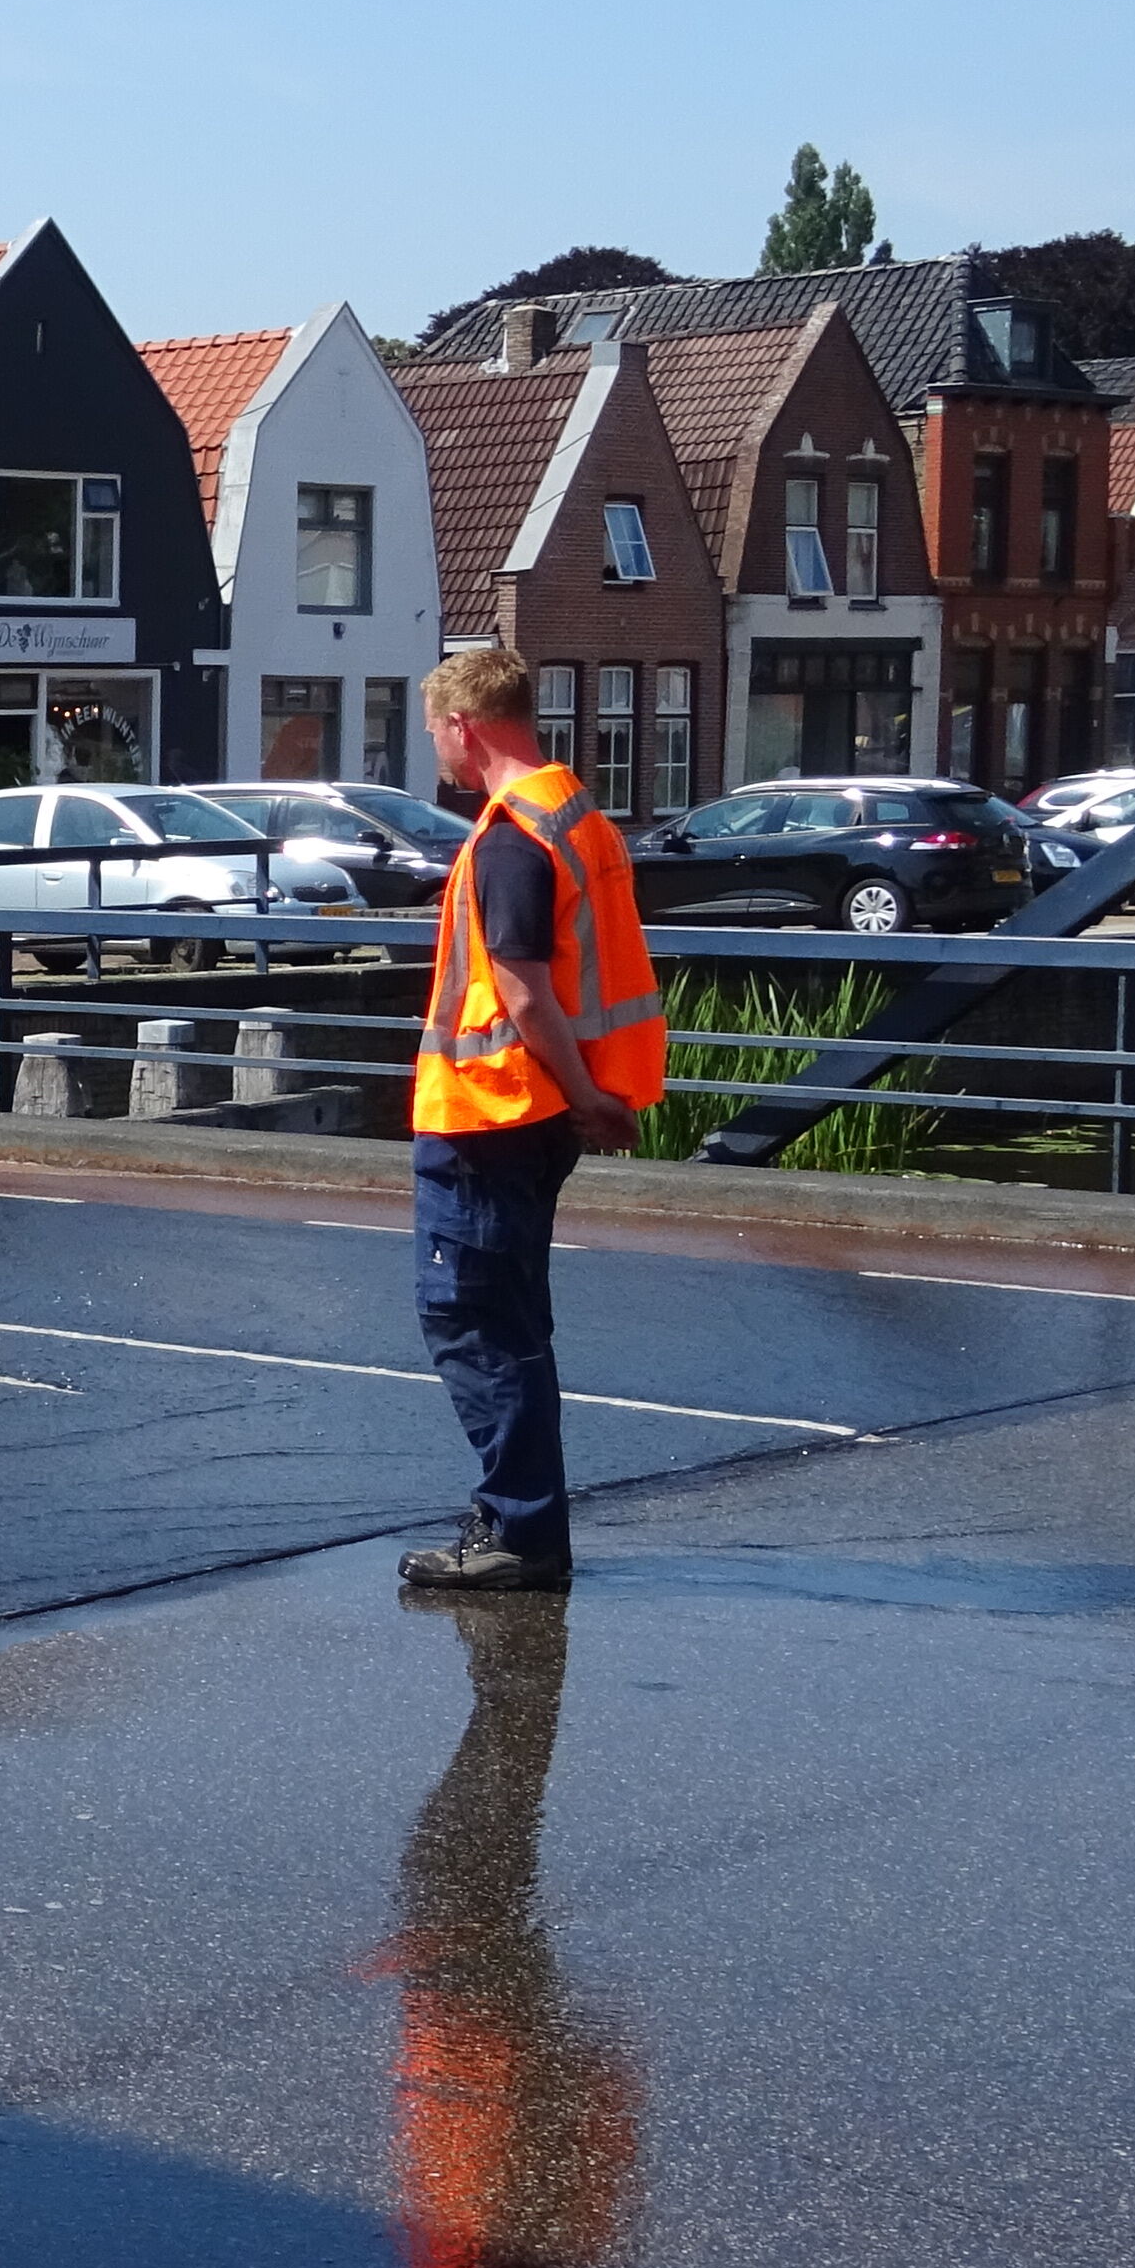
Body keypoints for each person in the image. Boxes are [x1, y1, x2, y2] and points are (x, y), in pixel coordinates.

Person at [398, 648, 662, 1592]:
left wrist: (583, 1095)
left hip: (493, 1113)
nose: (433, 744)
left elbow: (520, 988)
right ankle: (520, 1517)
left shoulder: (511, 835)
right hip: (542, 1113)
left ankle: (519, 1529)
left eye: (434, 728)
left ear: (464, 727)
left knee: (472, 1320)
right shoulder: (579, 816)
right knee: (513, 1318)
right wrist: (591, 1094)